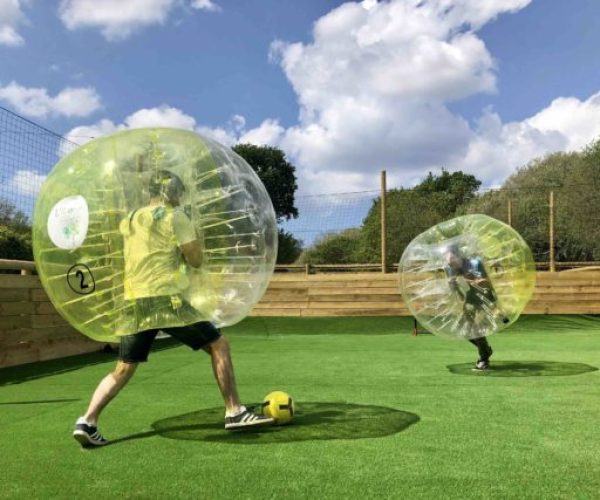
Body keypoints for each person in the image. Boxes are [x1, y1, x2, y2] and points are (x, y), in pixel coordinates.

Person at [73, 168, 273, 448]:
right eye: (178, 190)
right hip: (167, 299)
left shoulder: (130, 219)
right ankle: (234, 411)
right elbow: (196, 260)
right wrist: (193, 246)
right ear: (171, 191)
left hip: (135, 300)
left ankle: (87, 421)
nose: (180, 196)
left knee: (123, 367)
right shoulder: (176, 217)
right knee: (219, 344)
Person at [442, 244, 509, 370]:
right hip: (469, 301)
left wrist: (478, 282)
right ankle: (485, 350)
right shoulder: (449, 268)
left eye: (453, 261)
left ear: (458, 256)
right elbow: (455, 290)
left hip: (484, 299)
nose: (451, 265)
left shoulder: (475, 263)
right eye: (449, 263)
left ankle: (484, 358)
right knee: (465, 331)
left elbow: (488, 282)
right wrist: (452, 284)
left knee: (476, 328)